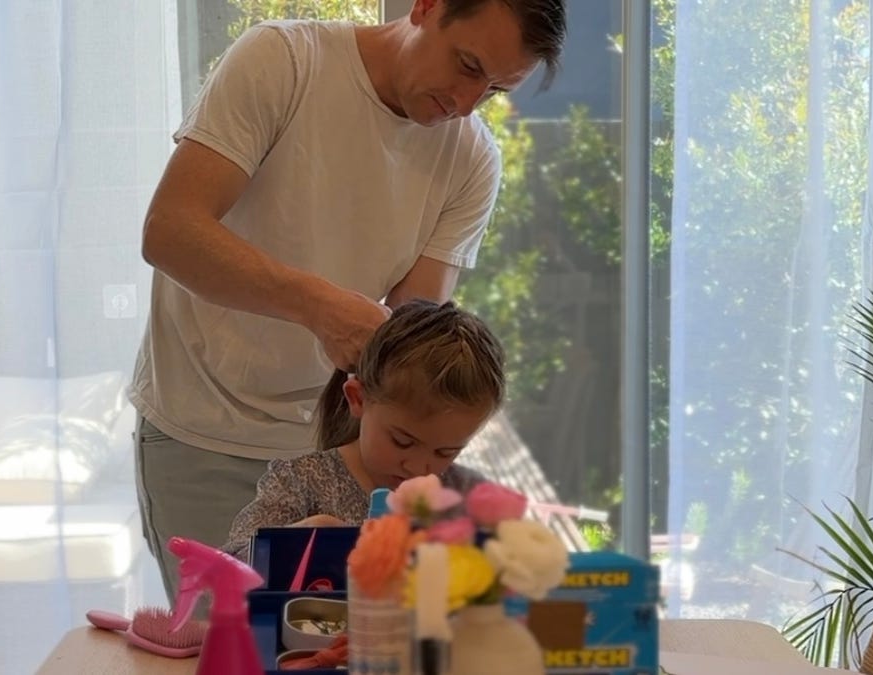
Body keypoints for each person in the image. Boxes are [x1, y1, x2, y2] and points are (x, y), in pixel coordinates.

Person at [128, 0, 568, 602]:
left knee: (351, 638)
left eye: (493, 90)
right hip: (203, 432)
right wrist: (317, 305)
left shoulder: (472, 160)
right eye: (468, 66)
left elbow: (408, 349)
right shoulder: (283, 61)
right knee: (224, 638)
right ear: (426, 7)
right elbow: (170, 232)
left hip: (346, 453)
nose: (467, 103)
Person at [222, 299, 505, 560]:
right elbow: (224, 571)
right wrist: (290, 543)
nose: (419, 468)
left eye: (446, 452)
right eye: (402, 441)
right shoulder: (300, 482)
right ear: (358, 398)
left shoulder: (466, 493)